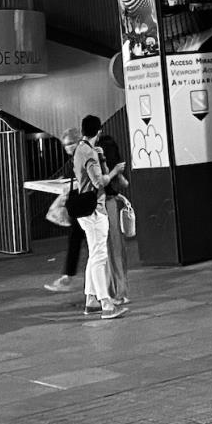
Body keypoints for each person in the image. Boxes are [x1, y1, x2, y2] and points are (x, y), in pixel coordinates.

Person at [42, 129, 90, 295]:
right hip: (78, 207)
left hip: (85, 206)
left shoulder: (84, 156)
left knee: (87, 244)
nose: (68, 148)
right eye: (65, 145)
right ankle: (70, 277)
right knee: (77, 241)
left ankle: (78, 279)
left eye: (70, 143)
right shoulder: (76, 159)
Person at [89, 116, 130, 306]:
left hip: (97, 203)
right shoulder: (107, 145)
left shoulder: (90, 150)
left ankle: (102, 294)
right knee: (114, 249)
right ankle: (117, 292)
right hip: (108, 202)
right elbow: (120, 180)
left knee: (100, 251)